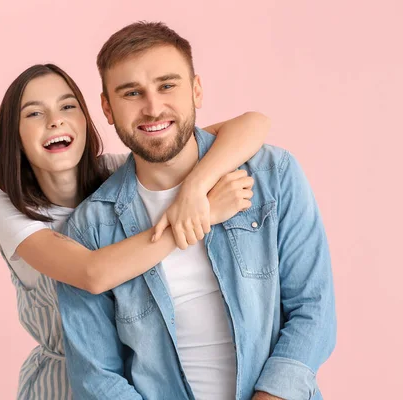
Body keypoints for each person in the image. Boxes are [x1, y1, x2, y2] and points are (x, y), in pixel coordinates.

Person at [56, 22, 336, 400]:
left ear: (197, 90)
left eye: (167, 85)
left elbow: (313, 311)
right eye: (131, 93)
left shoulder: (274, 175)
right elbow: (95, 375)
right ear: (107, 107)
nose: (153, 107)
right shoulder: (89, 229)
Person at [0, 63, 270, 399]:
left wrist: (196, 190)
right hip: (66, 385)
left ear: (88, 119)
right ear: (13, 133)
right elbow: (92, 273)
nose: (54, 120)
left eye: (67, 106)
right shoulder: (7, 206)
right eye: (34, 114)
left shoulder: (116, 171)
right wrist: (200, 217)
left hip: (139, 375)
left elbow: (252, 124)